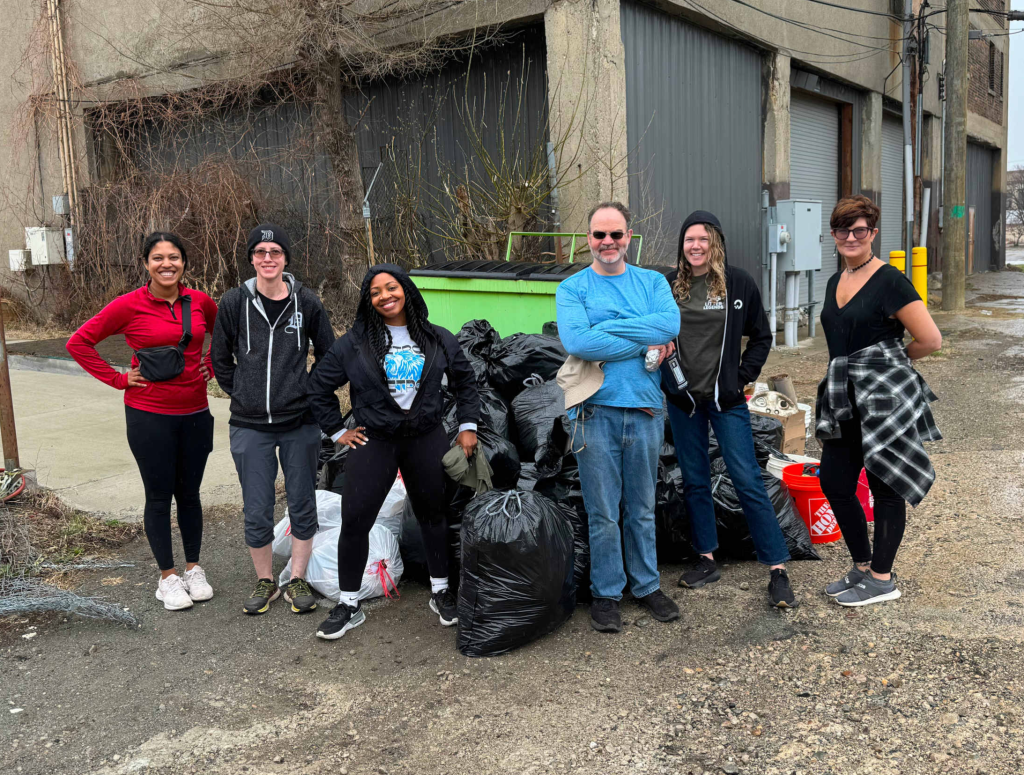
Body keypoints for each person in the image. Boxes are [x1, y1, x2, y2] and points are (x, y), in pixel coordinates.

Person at [306, 263, 480, 640]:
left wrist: (468, 426)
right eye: (375, 292)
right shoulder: (355, 342)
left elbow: (466, 382)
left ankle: (440, 591)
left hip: (426, 438)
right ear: (367, 301)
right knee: (355, 520)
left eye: (391, 287)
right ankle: (349, 604)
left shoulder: (436, 338)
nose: (384, 296)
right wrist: (338, 430)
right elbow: (318, 386)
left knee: (433, 516)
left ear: (407, 290)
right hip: (375, 441)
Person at [66, 232, 218, 611]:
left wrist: (212, 364)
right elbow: (79, 343)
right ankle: (167, 577)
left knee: (190, 494)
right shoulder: (128, 305)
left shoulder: (200, 302)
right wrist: (118, 379)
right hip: (149, 415)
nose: (167, 264)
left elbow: (227, 335)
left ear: (184, 262)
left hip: (196, 413)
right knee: (159, 495)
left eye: (174, 257)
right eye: (158, 258)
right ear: (146, 264)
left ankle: (194, 569)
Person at [660, 211, 798, 608]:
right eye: (689, 239)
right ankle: (706, 558)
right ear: (682, 245)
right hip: (684, 401)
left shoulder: (738, 283)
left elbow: (761, 336)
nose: (696, 246)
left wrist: (742, 377)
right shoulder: (669, 286)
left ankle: (777, 569)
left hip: (726, 401)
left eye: (703, 239)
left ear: (716, 242)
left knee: (747, 479)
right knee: (695, 480)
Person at [555, 201, 681, 634]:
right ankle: (607, 594)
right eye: (599, 235)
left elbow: (669, 326)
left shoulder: (652, 282)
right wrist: (643, 339)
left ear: (629, 237)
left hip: (644, 410)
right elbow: (578, 342)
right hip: (594, 413)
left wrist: (607, 329)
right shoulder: (573, 288)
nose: (607, 242)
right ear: (588, 239)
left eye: (615, 234)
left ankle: (646, 586)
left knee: (642, 507)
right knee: (603, 511)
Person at [816, 195, 942, 607]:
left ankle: (882, 579)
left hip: (883, 398)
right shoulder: (835, 281)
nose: (850, 237)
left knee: (885, 485)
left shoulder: (890, 280)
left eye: (859, 230)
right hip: (843, 397)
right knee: (834, 482)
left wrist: (887, 363)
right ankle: (862, 565)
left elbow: (930, 339)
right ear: (833, 234)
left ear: (872, 233)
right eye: (843, 229)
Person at [211, 224, 336, 616]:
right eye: (261, 252)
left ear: (285, 258)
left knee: (302, 501)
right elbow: (219, 358)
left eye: (275, 251)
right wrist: (243, 393)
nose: (268, 258)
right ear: (252, 258)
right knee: (257, 506)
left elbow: (329, 355)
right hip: (249, 425)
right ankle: (265, 580)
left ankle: (297, 578)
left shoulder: (306, 302)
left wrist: (308, 390)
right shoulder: (234, 302)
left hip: (299, 422)